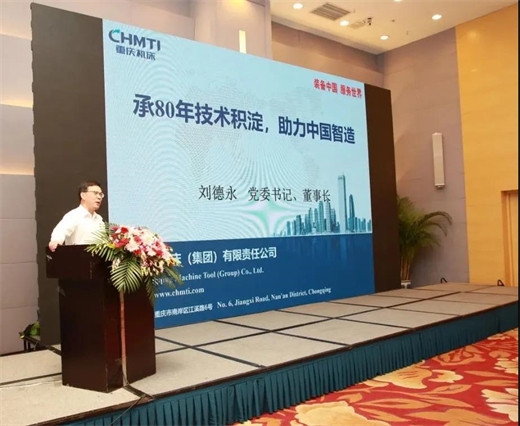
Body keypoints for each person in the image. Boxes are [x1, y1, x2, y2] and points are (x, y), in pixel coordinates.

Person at [48, 180, 105, 252]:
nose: (99, 197)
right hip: (78, 257)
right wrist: (56, 241)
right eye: (95, 193)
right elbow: (60, 230)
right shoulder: (74, 215)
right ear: (83, 195)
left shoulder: (99, 219)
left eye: (100, 194)